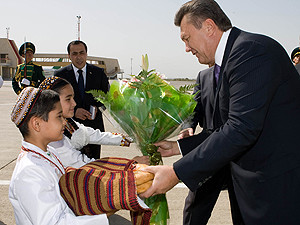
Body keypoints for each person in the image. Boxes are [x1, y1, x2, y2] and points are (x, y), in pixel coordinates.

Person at [140, 1, 300, 224]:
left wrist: (176, 172)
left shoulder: (251, 51)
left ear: (208, 27)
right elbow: (225, 127)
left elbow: (241, 129)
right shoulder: (232, 58)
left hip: (274, 189)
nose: (186, 48)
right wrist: (179, 147)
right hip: (251, 187)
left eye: (187, 38)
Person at [9, 87, 109, 224]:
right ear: (36, 124)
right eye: (59, 116)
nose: (64, 122)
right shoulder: (29, 172)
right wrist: (105, 214)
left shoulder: (49, 152)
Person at [39, 76, 149, 167]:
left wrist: (133, 138)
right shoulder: (52, 139)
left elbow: (94, 135)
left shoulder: (67, 122)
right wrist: (130, 164)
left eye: (73, 98)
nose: (74, 104)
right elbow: (84, 165)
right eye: (68, 99)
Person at [54, 40, 109, 160]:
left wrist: (97, 108)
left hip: (94, 126)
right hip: (70, 129)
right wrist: (74, 111)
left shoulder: (98, 73)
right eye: (74, 54)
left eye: (81, 53)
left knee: (94, 165)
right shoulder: (60, 75)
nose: (78, 57)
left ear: (86, 54)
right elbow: (56, 102)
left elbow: (107, 98)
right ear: (69, 56)